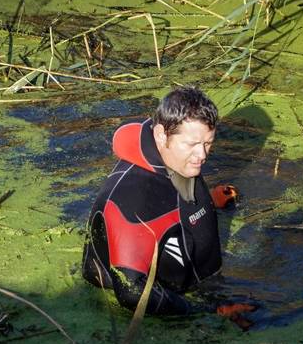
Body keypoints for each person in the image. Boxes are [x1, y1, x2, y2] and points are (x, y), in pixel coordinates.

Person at [82, 86, 251, 319]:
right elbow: (131, 291)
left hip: (206, 282)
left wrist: (210, 200)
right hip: (174, 311)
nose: (202, 155)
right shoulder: (132, 201)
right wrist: (205, 313)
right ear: (162, 135)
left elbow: (172, 197)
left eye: (208, 143)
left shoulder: (173, 157)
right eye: (192, 144)